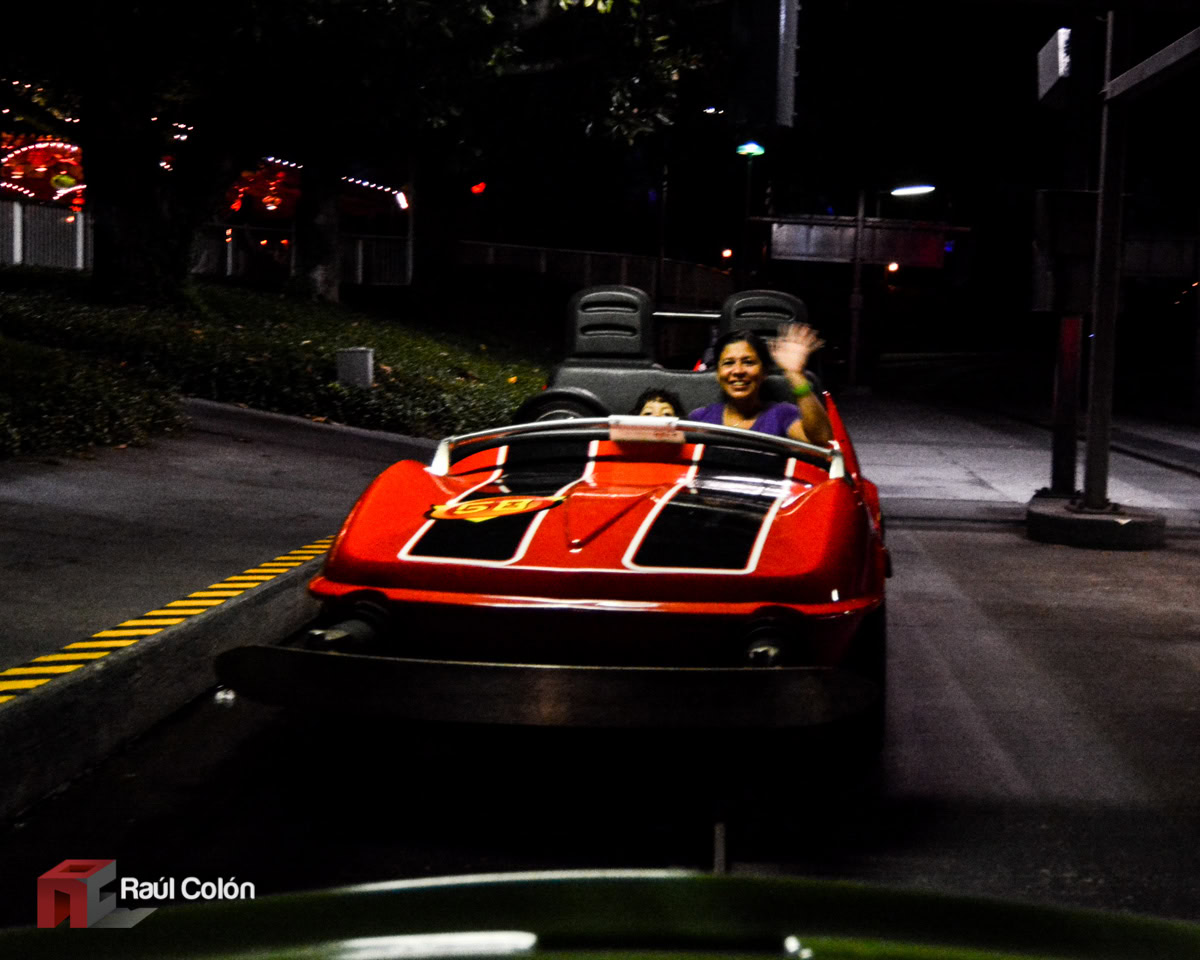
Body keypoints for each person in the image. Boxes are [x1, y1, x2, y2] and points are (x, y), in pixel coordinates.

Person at [687, 324, 833, 445]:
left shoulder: (782, 415)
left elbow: (820, 440)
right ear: (718, 374)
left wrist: (795, 374)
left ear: (764, 372)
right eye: (728, 363)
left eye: (748, 362)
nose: (738, 371)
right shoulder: (701, 418)